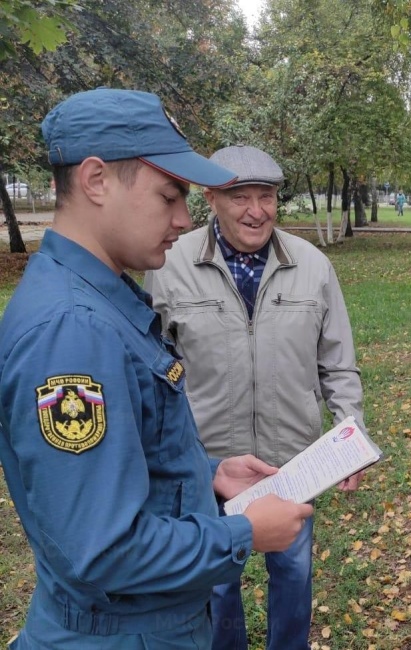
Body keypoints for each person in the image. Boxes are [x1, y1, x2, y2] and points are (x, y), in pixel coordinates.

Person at [0, 88, 313, 650]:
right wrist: (243, 533)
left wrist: (207, 475)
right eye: (169, 196)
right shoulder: (72, 331)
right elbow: (102, 551)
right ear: (96, 181)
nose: (182, 219)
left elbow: (125, 460)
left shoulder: (99, 301)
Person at [146, 144, 365, 650]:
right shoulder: (170, 263)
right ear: (210, 199)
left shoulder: (312, 265)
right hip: (209, 465)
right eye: (239, 196)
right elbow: (156, 371)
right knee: (217, 584)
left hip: (292, 463)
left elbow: (338, 362)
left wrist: (350, 433)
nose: (256, 210)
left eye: (265, 196)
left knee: (292, 575)